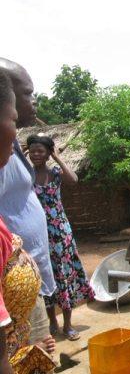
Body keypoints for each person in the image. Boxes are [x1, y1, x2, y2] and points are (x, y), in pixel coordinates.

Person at [0, 67, 55, 373]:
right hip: (10, 292)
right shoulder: (3, 152)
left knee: (39, 358)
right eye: (27, 94)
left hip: (24, 283)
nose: (34, 101)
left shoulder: (12, 148)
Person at [27, 134, 95, 341]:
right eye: (32, 151)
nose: (36, 154)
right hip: (37, 234)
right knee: (44, 276)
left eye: (40, 151)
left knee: (64, 277)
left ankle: (67, 324)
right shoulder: (26, 175)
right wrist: (20, 156)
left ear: (49, 152)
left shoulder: (55, 173)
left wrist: (57, 158)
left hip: (59, 233)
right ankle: (52, 322)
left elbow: (73, 180)